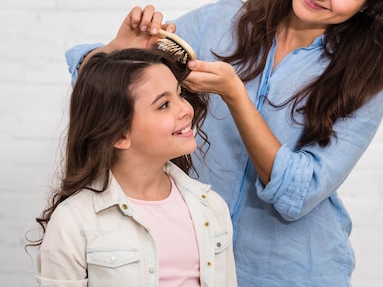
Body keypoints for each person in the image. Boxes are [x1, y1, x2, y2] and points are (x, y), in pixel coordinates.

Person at [65, 0, 383, 286]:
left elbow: (299, 194)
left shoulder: (366, 78)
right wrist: (117, 49)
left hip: (293, 273)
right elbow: (104, 93)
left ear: (368, 7)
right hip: (192, 265)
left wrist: (236, 97)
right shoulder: (222, 22)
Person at [32, 48, 237, 287]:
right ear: (119, 134)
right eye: (164, 105)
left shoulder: (212, 208)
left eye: (180, 95)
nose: (186, 110)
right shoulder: (73, 222)